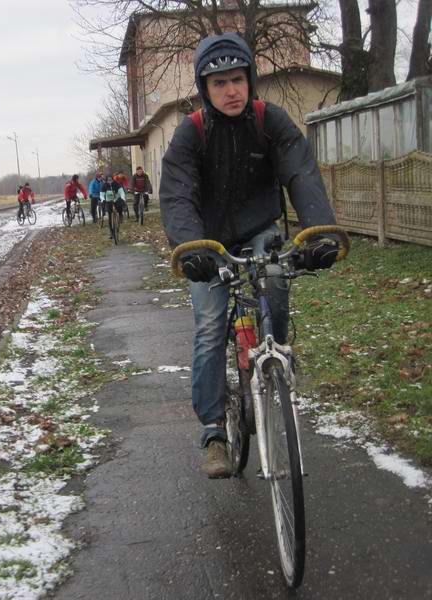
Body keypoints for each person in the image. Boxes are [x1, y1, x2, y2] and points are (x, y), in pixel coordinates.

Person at [159, 32, 340, 479]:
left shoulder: (270, 121)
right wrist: (190, 246)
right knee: (208, 327)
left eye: (237, 79)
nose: (231, 91)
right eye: (219, 83)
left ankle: (271, 364)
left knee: (275, 281)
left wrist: (318, 233)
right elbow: (178, 195)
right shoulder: (191, 132)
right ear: (205, 88)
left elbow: (301, 173)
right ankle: (214, 432)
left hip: (261, 231)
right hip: (209, 242)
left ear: (250, 79)